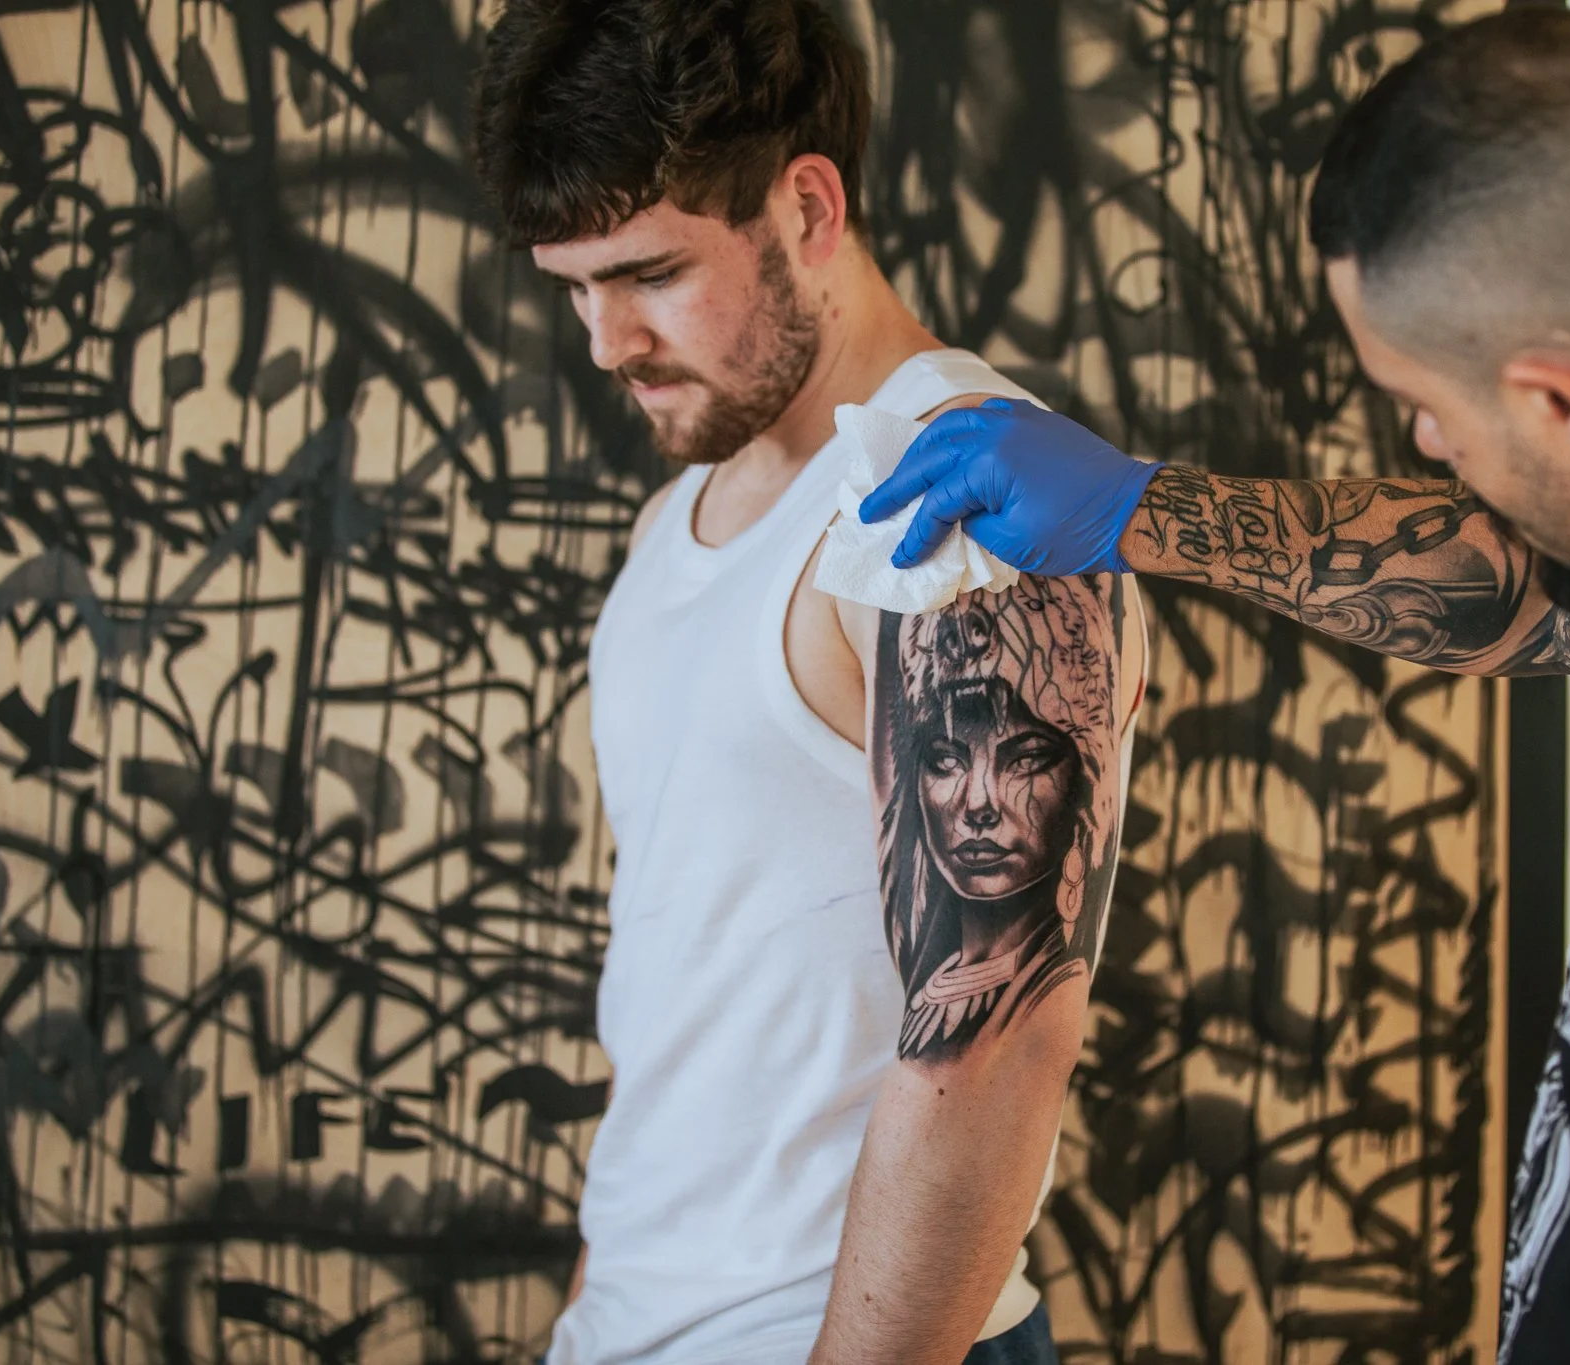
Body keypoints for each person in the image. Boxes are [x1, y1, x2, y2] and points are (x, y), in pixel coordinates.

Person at [859, 10, 1570, 1364]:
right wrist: (1143, 510)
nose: (1425, 443)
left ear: (1563, 405)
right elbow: (1535, 595)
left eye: (1427, 408)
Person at [470, 3, 1146, 1362]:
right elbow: (687, 982)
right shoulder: (681, 517)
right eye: (576, 287)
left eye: (651, 273)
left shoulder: (964, 500)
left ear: (809, 208)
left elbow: (1001, 1038)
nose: (606, 341)